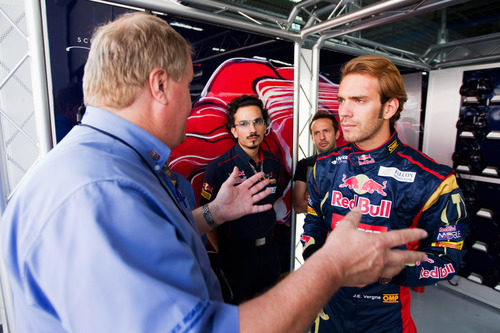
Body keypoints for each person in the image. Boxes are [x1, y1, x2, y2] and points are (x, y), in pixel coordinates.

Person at [1, 13, 429, 332]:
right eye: (189, 87)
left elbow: (143, 245)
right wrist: (332, 267)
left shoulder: (101, 170)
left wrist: (213, 215)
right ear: (159, 85)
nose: (192, 105)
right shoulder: (99, 191)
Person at [301, 55, 469, 333]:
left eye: (359, 100)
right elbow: (313, 222)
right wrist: (318, 258)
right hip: (327, 308)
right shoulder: (325, 166)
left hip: (385, 315)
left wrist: (389, 270)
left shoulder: (433, 179)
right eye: (342, 100)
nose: (344, 112)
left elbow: (448, 259)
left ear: (389, 107)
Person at [200, 94, 284, 304]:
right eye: (244, 124)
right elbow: (207, 215)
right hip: (235, 256)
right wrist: (223, 250)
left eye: (257, 122)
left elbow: (273, 200)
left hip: (269, 253)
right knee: (235, 315)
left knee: (269, 312)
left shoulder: (274, 163)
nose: (252, 130)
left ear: (266, 126)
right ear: (234, 131)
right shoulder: (219, 168)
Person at [293, 111, 339, 213]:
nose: (322, 137)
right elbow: (299, 206)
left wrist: (313, 198)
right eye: (317, 133)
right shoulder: (304, 164)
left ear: (337, 134)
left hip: (342, 227)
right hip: (315, 228)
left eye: (326, 131)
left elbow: (353, 204)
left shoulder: (349, 163)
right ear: (312, 138)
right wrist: (336, 201)